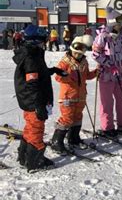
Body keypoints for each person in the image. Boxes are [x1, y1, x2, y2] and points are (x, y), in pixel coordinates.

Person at [13, 25, 67, 171]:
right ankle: (34, 161)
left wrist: (53, 70)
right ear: (36, 40)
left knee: (30, 127)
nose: (45, 42)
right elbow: (32, 83)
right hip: (33, 100)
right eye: (43, 40)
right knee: (36, 128)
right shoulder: (31, 57)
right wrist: (38, 105)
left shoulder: (32, 53)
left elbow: (38, 73)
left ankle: (24, 156)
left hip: (28, 99)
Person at [50, 34, 97, 154]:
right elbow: (58, 77)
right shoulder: (65, 62)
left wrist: (96, 72)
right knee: (67, 118)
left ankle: (73, 138)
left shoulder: (84, 62)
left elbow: (86, 76)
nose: (77, 55)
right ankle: (56, 141)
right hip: (67, 96)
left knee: (77, 117)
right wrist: (68, 76)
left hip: (80, 95)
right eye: (75, 53)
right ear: (71, 50)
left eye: (80, 53)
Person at [92, 7, 122, 137]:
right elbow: (95, 54)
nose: (120, 26)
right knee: (107, 102)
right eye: (118, 23)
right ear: (111, 22)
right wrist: (109, 65)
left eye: (121, 23)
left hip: (120, 74)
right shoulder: (102, 37)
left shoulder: (121, 37)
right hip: (106, 75)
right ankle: (107, 127)